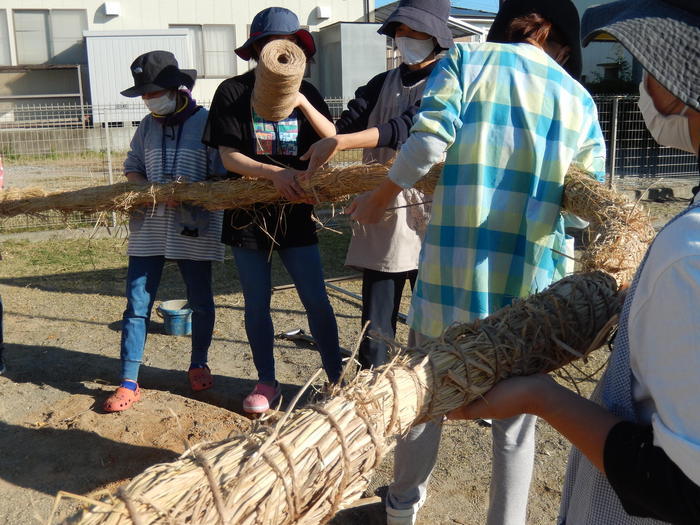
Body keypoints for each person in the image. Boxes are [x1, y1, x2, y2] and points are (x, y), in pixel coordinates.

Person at [346, 1, 606, 523]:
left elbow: (431, 138)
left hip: (449, 280)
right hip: (529, 295)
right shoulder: (579, 99)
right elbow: (583, 210)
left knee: (422, 396)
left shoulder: (468, 59)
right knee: (516, 424)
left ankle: (401, 507)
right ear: (556, 37)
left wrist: (382, 194)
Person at [449, 1, 700, 524]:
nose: (645, 83)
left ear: (678, 89)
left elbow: (680, 486)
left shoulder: (687, 255)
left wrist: (544, 397)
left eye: (652, 67)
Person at [202, 7, 343, 414]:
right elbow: (228, 157)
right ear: (256, 49)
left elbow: (332, 139)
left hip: (296, 212)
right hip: (247, 214)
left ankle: (336, 380)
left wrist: (298, 98)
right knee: (256, 302)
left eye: (289, 46)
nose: (279, 52)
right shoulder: (232, 91)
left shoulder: (309, 93)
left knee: (316, 299)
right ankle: (267, 381)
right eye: (269, 46)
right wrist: (274, 174)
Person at [301, 0, 453, 370]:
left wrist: (343, 143)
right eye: (400, 32)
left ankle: (436, 383)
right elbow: (343, 129)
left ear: (435, 37)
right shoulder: (379, 83)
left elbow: (408, 128)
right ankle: (371, 384)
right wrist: (301, 101)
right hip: (382, 205)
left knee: (434, 314)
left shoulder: (448, 82)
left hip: (433, 209)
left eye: (414, 33)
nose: (405, 40)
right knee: (376, 315)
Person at [103, 51, 226, 413]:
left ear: (177, 88)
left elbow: (222, 176)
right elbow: (133, 167)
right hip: (150, 227)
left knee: (201, 301)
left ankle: (198, 363)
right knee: (137, 303)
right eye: (144, 94)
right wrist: (149, 191)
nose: (148, 99)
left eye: (153, 91)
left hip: (195, 226)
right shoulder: (146, 125)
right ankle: (128, 380)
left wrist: (190, 195)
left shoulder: (207, 123)